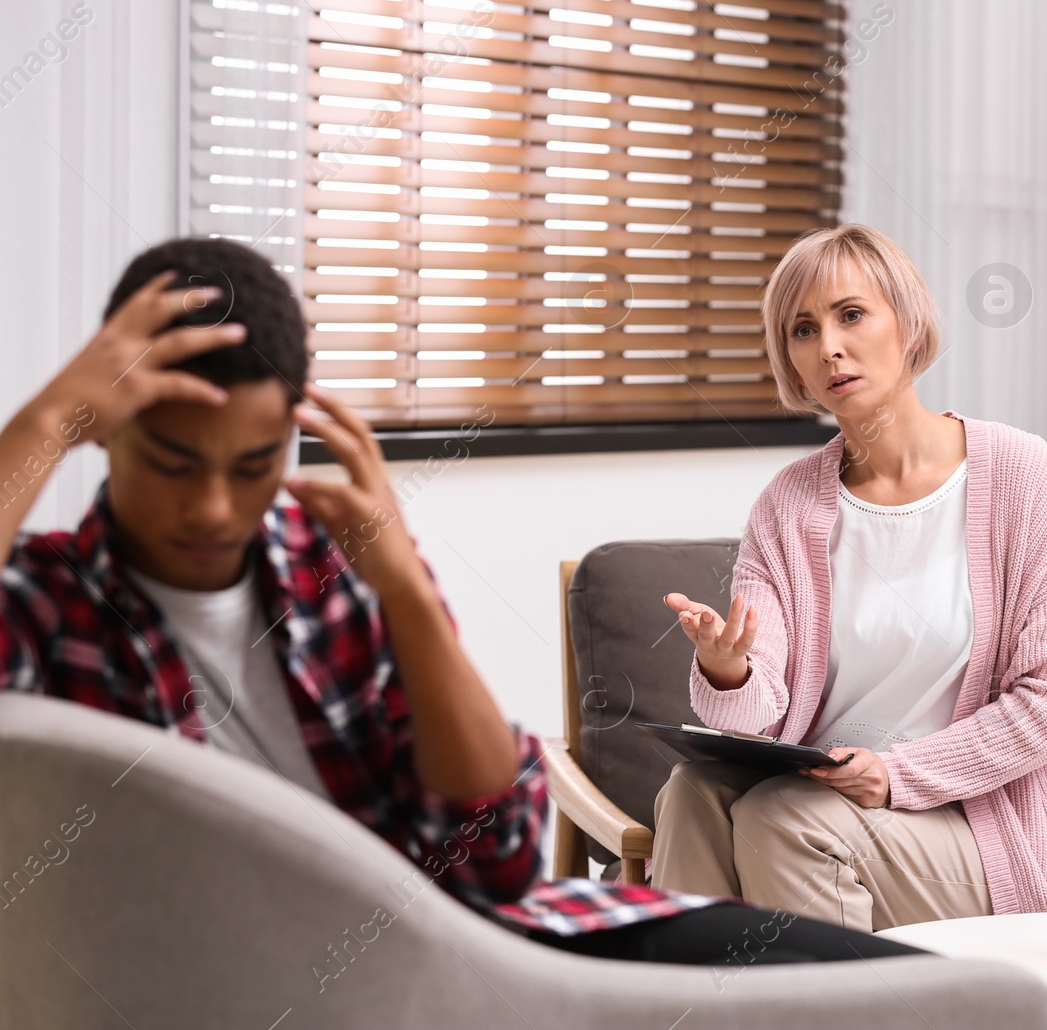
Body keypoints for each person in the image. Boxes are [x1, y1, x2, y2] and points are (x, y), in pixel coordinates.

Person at [0, 237, 923, 967]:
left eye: (251, 467)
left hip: (466, 937)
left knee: (885, 986)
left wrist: (401, 584)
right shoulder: (46, 597)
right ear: (104, 428)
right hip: (282, 972)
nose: (211, 507)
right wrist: (41, 425)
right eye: (170, 463)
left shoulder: (326, 565)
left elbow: (501, 847)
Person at [656, 224, 1047, 933]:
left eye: (851, 314)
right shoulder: (787, 503)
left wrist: (899, 774)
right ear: (791, 360)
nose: (829, 345)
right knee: (690, 793)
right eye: (804, 329)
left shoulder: (1022, 474)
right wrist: (728, 670)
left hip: (980, 827)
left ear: (908, 320)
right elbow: (756, 712)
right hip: (826, 800)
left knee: (783, 819)